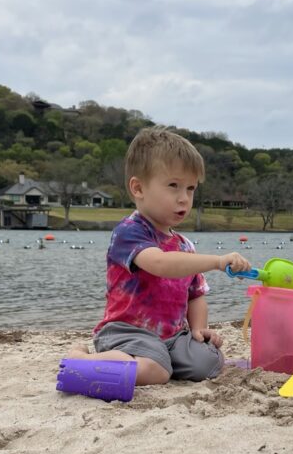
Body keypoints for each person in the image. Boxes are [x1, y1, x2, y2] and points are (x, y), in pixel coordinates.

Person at [68, 127, 251, 385]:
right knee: (156, 370)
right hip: (128, 331)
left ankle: (155, 360)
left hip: (172, 336)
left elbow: (195, 295)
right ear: (138, 188)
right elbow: (160, 263)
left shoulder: (185, 245)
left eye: (190, 188)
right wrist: (218, 262)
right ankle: (81, 359)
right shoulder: (129, 233)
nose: (183, 198)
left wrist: (198, 328)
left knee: (209, 362)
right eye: (173, 186)